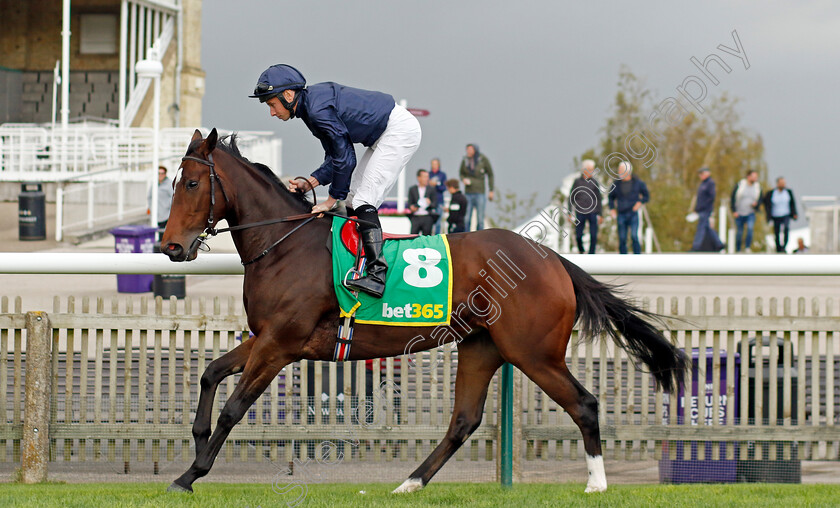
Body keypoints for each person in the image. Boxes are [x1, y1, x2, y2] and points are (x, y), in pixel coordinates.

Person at [250, 64, 421, 298]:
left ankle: (377, 275)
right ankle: (356, 264)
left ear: (288, 95)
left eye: (272, 104)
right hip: (385, 133)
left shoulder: (317, 111)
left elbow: (345, 158)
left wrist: (330, 200)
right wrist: (310, 182)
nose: (272, 112)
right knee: (353, 199)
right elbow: (336, 156)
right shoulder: (311, 109)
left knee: (363, 200)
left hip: (398, 131)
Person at [608, 162, 649, 254]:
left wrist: (640, 202)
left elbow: (646, 196)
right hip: (621, 214)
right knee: (622, 238)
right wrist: (612, 209)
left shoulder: (638, 183)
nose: (619, 172)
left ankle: (637, 257)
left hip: (633, 213)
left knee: (634, 236)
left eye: (621, 170)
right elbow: (610, 197)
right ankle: (623, 260)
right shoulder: (616, 184)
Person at [568, 159, 603, 254]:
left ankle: (591, 253)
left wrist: (600, 214)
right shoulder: (577, 182)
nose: (592, 171)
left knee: (593, 235)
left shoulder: (594, 182)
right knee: (578, 235)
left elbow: (599, 198)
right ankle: (581, 250)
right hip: (580, 212)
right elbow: (571, 197)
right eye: (590, 169)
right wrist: (570, 212)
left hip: (593, 212)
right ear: (584, 170)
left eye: (592, 169)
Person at [459, 144, 494, 231]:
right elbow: (461, 173)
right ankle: (466, 236)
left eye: (470, 150)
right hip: (468, 192)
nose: (468, 152)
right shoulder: (465, 160)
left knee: (480, 218)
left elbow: (490, 174)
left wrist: (491, 190)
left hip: (480, 192)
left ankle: (479, 236)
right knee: (467, 218)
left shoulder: (482, 159)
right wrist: (463, 179)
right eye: (467, 150)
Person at [691, 167, 726, 252]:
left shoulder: (710, 183)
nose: (700, 176)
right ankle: (719, 244)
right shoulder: (702, 184)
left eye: (702, 173)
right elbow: (700, 198)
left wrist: (704, 207)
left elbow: (711, 197)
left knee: (701, 228)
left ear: (707, 173)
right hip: (701, 209)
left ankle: (696, 247)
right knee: (708, 228)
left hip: (705, 210)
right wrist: (696, 208)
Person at [763, 177, 798, 253]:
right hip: (776, 215)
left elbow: (792, 203)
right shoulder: (772, 193)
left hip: (786, 214)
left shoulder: (788, 192)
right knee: (777, 231)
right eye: (781, 183)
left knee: (786, 228)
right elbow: (766, 203)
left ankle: (784, 246)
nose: (783, 184)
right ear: (778, 184)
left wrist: (794, 213)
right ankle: (778, 247)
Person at [730, 169, 762, 252]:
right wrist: (734, 210)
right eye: (754, 177)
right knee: (739, 232)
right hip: (739, 212)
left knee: (750, 229)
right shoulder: (740, 185)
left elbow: (760, 199)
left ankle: (747, 247)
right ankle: (738, 249)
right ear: (748, 176)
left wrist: (756, 205)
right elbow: (733, 197)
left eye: (756, 177)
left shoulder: (757, 187)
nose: (755, 179)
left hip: (750, 212)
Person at [407, 169, 438, 235]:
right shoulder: (412, 189)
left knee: (427, 238)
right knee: (413, 237)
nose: (427, 179)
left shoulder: (431, 189)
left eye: (427, 177)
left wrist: (429, 203)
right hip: (416, 217)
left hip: (427, 217)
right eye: (424, 177)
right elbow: (409, 203)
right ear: (419, 178)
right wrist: (412, 207)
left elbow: (435, 204)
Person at [147, 165, 173, 238]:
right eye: (158, 173)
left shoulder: (169, 184)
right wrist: (151, 208)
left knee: (163, 235)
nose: (160, 175)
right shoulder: (154, 183)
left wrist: (167, 207)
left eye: (162, 173)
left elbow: (173, 198)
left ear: (165, 174)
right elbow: (149, 197)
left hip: (166, 215)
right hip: (155, 215)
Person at [428, 158, 447, 234]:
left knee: (438, 222)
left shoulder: (442, 175)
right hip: (430, 201)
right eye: (433, 164)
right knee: (429, 221)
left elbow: (444, 188)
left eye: (435, 164)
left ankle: (437, 237)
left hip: (439, 201)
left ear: (438, 165)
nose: (434, 165)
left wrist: (436, 185)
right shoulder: (428, 175)